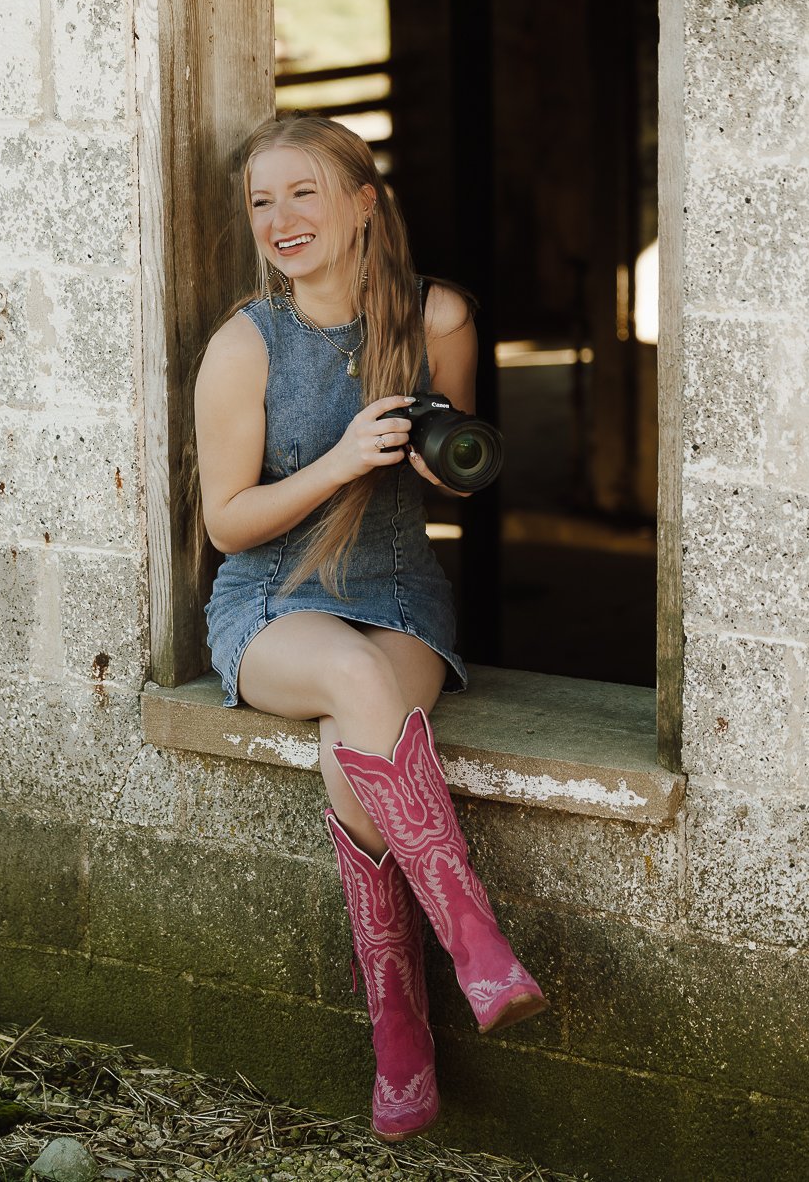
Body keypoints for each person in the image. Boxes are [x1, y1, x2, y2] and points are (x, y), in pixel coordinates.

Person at [194, 113, 547, 1142]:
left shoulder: (436, 317)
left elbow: (461, 469)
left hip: (398, 592)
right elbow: (228, 520)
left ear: (363, 204)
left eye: (304, 192)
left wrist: (445, 468)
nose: (281, 218)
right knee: (351, 680)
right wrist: (342, 459)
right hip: (270, 601)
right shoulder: (244, 344)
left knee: (355, 744)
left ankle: (400, 1031)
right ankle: (473, 939)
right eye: (263, 200)